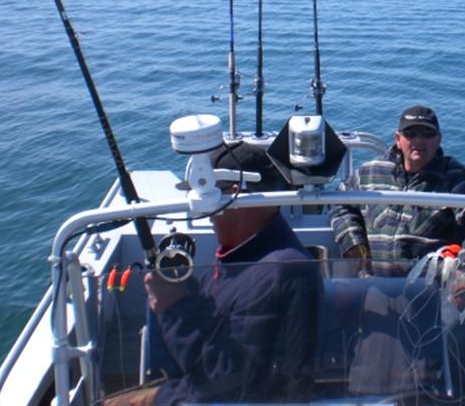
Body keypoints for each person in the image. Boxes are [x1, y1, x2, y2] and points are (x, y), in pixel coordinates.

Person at [107, 142, 322, 406]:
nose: (205, 214)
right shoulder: (242, 254)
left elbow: (223, 383)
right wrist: (187, 293)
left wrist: (174, 307)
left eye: (209, 199)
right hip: (188, 388)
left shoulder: (279, 273)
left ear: (234, 196)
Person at [331, 104, 465, 275]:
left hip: (430, 287)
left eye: (428, 134)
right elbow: (340, 201)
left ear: (438, 139)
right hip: (372, 282)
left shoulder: (458, 179)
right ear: (398, 139)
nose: (419, 140)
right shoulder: (370, 172)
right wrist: (353, 243)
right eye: (410, 133)